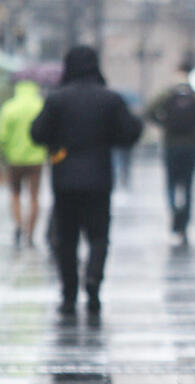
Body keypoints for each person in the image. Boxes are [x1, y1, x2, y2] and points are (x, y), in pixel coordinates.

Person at [30, 45, 143, 316]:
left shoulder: (57, 99)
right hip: (99, 178)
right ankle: (93, 281)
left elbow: (37, 133)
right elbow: (130, 133)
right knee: (99, 235)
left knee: (65, 238)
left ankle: (69, 294)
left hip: (65, 178)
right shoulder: (110, 99)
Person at [145, 63, 195, 246]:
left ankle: (174, 212)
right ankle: (184, 223)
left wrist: (164, 124)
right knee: (188, 186)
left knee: (171, 184)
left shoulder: (168, 94)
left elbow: (149, 110)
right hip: (191, 147)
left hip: (171, 145)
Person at [0, 80, 47, 247]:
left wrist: (4, 151)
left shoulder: (9, 107)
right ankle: (30, 232)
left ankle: (18, 224)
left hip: (14, 159)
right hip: (36, 159)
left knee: (15, 194)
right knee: (34, 197)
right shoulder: (40, 105)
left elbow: (1, 135)